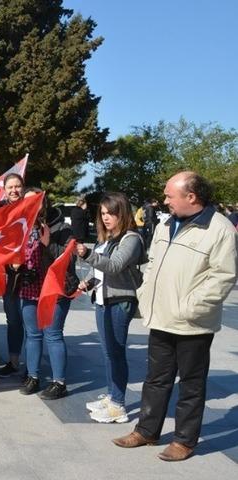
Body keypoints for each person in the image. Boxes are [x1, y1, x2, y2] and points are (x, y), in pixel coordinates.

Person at [112, 172, 237, 461]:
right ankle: (147, 430)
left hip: (193, 323)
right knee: (156, 379)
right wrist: (145, 293)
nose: (165, 200)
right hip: (161, 316)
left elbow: (223, 277)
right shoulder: (165, 224)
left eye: (170, 195)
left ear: (191, 196)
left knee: (191, 384)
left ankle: (184, 440)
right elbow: (153, 264)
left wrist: (190, 307)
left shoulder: (219, 229)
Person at [76, 192, 145, 423]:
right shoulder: (107, 237)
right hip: (102, 300)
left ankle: (118, 405)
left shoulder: (131, 239)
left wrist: (88, 254)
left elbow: (115, 266)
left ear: (122, 213)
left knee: (116, 353)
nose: (106, 218)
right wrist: (89, 281)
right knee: (108, 353)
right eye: (103, 213)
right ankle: (112, 395)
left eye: (111, 213)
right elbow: (100, 269)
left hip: (120, 301)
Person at [16, 198, 78, 399]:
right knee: (32, 334)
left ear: (45, 204)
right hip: (30, 286)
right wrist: (14, 265)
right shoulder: (22, 227)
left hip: (55, 287)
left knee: (53, 334)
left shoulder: (62, 228)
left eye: (36, 203)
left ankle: (59, 382)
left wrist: (49, 243)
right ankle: (32, 376)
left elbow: (69, 257)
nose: (32, 208)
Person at [0, 173, 26, 378]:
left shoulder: (32, 208)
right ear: (4, 190)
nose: (14, 190)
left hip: (31, 275)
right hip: (9, 276)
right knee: (13, 320)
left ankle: (33, 368)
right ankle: (14, 362)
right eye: (10, 187)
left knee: (30, 323)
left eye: (17, 186)